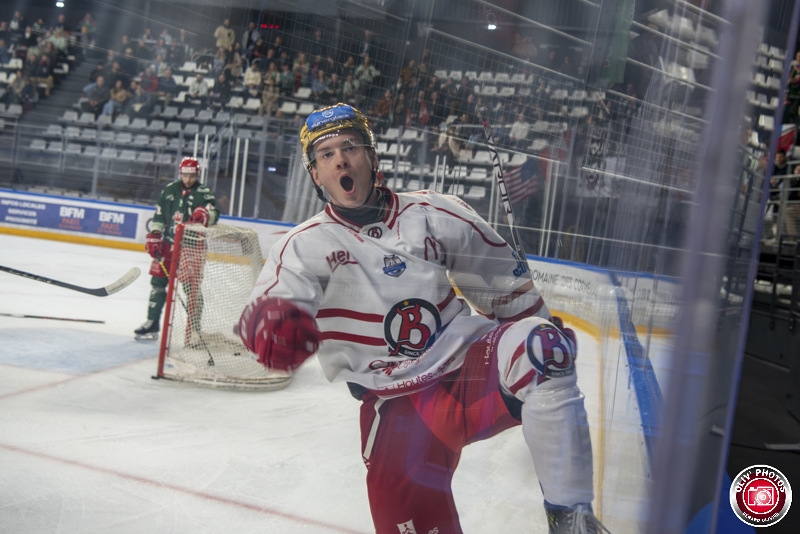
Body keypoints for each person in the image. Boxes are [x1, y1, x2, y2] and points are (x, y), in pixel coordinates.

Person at [237, 104, 607, 533]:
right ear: (316, 175)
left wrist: (546, 346)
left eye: (350, 146)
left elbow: (504, 287)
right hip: (396, 410)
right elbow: (269, 309)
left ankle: (571, 519)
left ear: (372, 157)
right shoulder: (301, 248)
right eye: (325, 154)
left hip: (465, 373)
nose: (340, 158)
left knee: (543, 347)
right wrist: (274, 326)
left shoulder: (435, 212)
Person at [135, 158, 219, 340]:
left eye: (192, 175)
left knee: (192, 290)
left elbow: (214, 213)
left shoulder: (203, 193)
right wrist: (155, 234)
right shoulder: (169, 190)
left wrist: (206, 214)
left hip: (191, 248)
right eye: (185, 175)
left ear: (197, 174)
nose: (188, 179)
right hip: (167, 246)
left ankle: (195, 330)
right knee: (157, 285)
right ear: (180, 173)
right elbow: (159, 215)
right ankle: (152, 323)